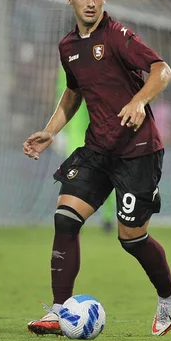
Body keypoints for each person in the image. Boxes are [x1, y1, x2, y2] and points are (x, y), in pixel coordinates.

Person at [23, 0, 171, 337]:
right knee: (65, 218)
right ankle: (60, 312)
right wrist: (50, 131)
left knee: (131, 238)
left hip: (138, 150)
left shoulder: (118, 36)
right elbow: (74, 92)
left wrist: (140, 101)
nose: (91, 2)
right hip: (98, 148)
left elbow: (163, 70)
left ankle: (169, 294)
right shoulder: (68, 47)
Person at [55, 67, 117, 233]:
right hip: (80, 130)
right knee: (78, 176)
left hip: (97, 130)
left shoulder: (99, 60)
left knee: (102, 175)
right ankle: (73, 216)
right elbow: (63, 96)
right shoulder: (70, 62)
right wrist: (61, 131)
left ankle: (107, 218)